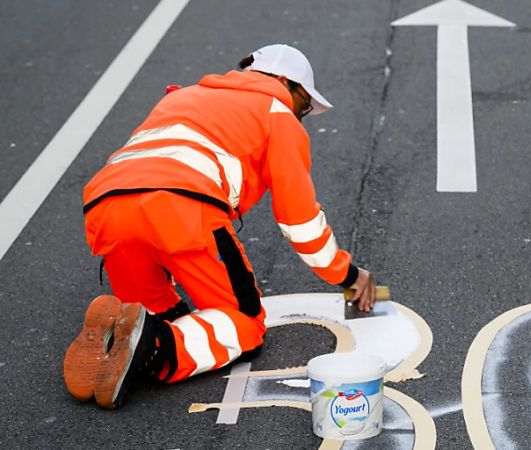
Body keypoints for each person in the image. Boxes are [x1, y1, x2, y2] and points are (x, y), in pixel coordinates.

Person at [62, 44, 377, 409]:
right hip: (182, 208)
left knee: (160, 315)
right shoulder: (277, 112)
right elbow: (300, 222)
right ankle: (152, 346)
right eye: (304, 103)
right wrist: (349, 275)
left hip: (106, 208)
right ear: (283, 81)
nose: (301, 113)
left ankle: (117, 343)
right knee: (244, 324)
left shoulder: (182, 97)